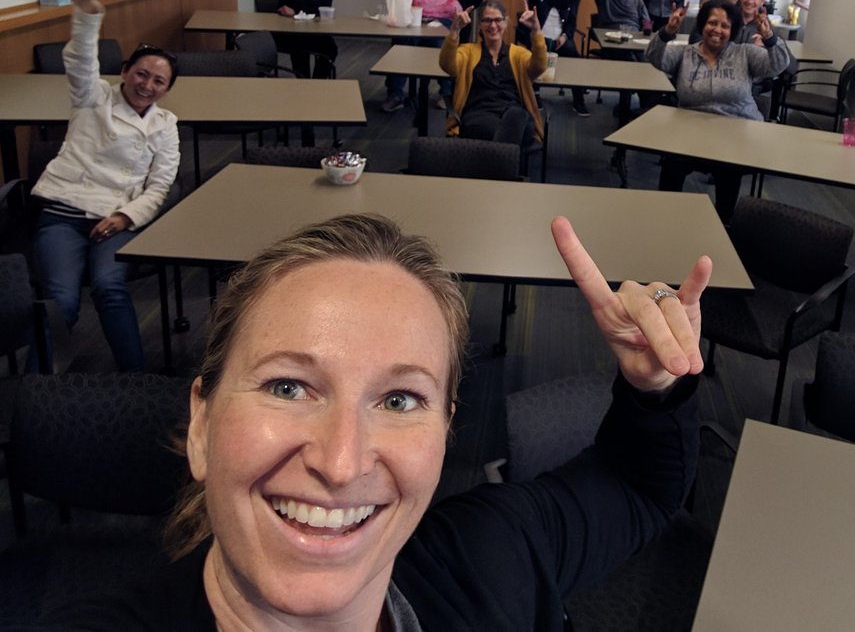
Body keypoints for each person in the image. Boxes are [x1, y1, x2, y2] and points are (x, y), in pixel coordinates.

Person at [55, 211, 709, 630]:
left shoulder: (495, 554)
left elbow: (640, 487)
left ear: (447, 430)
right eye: (288, 386)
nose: (341, 463)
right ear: (201, 425)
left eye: (399, 401)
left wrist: (652, 387)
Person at [30, 0, 180, 372]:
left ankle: (137, 382)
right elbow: (80, 58)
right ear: (126, 71)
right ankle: (37, 386)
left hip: (116, 218)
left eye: (158, 81)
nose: (147, 85)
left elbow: (161, 184)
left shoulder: (166, 125)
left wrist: (124, 217)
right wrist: (88, 11)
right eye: (141, 74)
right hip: (62, 214)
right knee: (61, 299)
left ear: (167, 90)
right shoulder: (92, 97)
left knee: (110, 287)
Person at [646, 0, 789, 222]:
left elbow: (778, 64)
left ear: (732, 31)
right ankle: (665, 217)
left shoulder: (745, 54)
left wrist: (770, 38)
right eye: (713, 23)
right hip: (690, 134)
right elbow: (654, 57)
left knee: (729, 169)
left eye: (725, 26)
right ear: (702, 25)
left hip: (735, 135)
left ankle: (724, 222)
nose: (718, 30)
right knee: (672, 162)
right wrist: (667, 32)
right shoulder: (685, 54)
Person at [383, 0, 489, 112]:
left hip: (445, 31)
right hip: (415, 28)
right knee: (401, 43)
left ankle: (446, 93)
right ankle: (395, 94)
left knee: (442, 43)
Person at [439, 0, 548, 147]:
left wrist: (536, 31)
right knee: (508, 131)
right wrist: (454, 31)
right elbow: (447, 65)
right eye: (487, 21)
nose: (493, 26)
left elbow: (540, 67)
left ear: (506, 22)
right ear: (480, 25)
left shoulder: (518, 54)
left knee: (520, 118)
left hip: (512, 111)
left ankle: (499, 160)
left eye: (498, 20)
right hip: (479, 113)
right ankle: (506, 163)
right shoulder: (468, 52)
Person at [519, 0, 589, 116]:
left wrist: (565, 36)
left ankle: (578, 99)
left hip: (560, 39)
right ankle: (535, 94)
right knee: (535, 56)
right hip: (538, 38)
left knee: (575, 58)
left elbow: (571, 23)